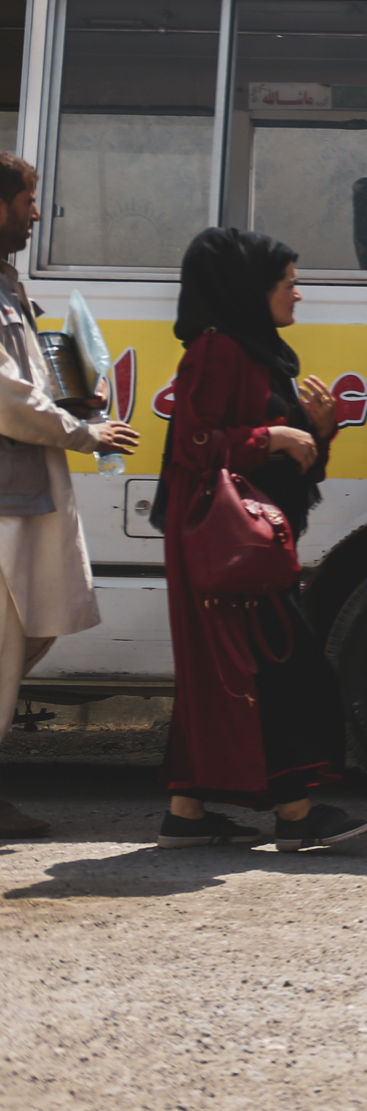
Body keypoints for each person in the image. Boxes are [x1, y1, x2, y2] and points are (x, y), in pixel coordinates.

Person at [154, 227, 367, 850]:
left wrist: (315, 432)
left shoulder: (258, 352)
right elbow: (194, 444)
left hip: (247, 539)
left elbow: (286, 465)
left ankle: (185, 813)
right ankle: (297, 814)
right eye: (288, 283)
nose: (299, 295)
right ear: (252, 289)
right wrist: (274, 437)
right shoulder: (216, 350)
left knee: (220, 673)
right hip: (223, 546)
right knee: (279, 664)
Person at [0, 154, 138, 839]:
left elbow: (30, 382)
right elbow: (7, 395)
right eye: (27, 199)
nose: (35, 212)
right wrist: (82, 430)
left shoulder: (9, 286)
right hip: (5, 500)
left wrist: (75, 398)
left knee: (32, 630)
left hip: (24, 491)